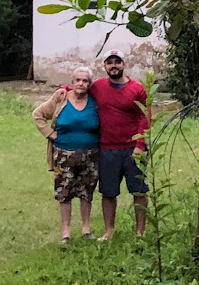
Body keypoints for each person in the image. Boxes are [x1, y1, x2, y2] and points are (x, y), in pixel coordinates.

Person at [54, 48, 149, 240]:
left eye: (117, 62)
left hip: (132, 149)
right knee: (108, 192)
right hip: (106, 149)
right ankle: (109, 230)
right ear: (105, 66)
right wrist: (64, 88)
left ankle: (140, 231)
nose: (114, 65)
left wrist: (140, 144)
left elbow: (145, 116)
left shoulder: (137, 88)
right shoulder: (98, 86)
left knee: (139, 190)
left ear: (123, 64)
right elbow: (80, 87)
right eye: (109, 62)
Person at [33, 66, 100, 243]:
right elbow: (38, 115)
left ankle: (86, 229)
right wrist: (50, 133)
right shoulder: (60, 99)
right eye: (77, 80)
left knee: (86, 193)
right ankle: (66, 233)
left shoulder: (95, 101)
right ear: (72, 83)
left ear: (89, 84)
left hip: (90, 155)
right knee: (64, 193)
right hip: (63, 156)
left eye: (85, 81)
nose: (81, 83)